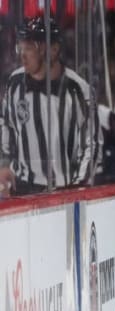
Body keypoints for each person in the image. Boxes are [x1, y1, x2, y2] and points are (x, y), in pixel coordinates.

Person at [0, 17, 96, 197]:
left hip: (64, 191)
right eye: (21, 47)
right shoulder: (14, 83)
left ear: (52, 50)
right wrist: (4, 163)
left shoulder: (78, 89)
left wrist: (78, 186)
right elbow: (6, 125)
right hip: (22, 187)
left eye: (29, 47)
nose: (22, 54)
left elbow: (92, 143)